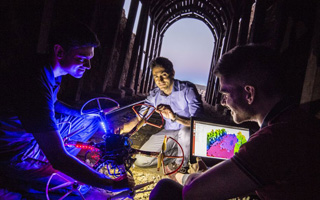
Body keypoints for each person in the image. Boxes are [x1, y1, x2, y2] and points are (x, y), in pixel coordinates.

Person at [149, 44, 320, 200]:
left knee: (164, 189)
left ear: (249, 94)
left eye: (226, 94)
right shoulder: (295, 120)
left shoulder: (272, 140)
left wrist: (185, 177)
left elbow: (193, 192)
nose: (223, 102)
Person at [0, 20, 134, 199]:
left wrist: (81, 112)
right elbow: (57, 156)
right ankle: (25, 179)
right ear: (59, 51)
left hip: (33, 137)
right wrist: (109, 182)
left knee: (91, 120)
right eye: (81, 59)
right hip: (17, 152)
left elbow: (53, 103)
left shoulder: (50, 70)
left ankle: (67, 164)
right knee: (78, 190)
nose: (88, 66)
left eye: (90, 59)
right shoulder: (34, 83)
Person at [121, 57, 203, 173]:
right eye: (156, 76)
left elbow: (198, 123)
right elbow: (141, 117)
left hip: (187, 133)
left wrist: (174, 117)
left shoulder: (187, 90)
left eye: (163, 75)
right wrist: (122, 129)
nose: (160, 80)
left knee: (185, 132)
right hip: (168, 132)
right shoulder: (154, 95)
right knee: (140, 160)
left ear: (172, 73)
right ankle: (179, 154)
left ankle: (182, 165)